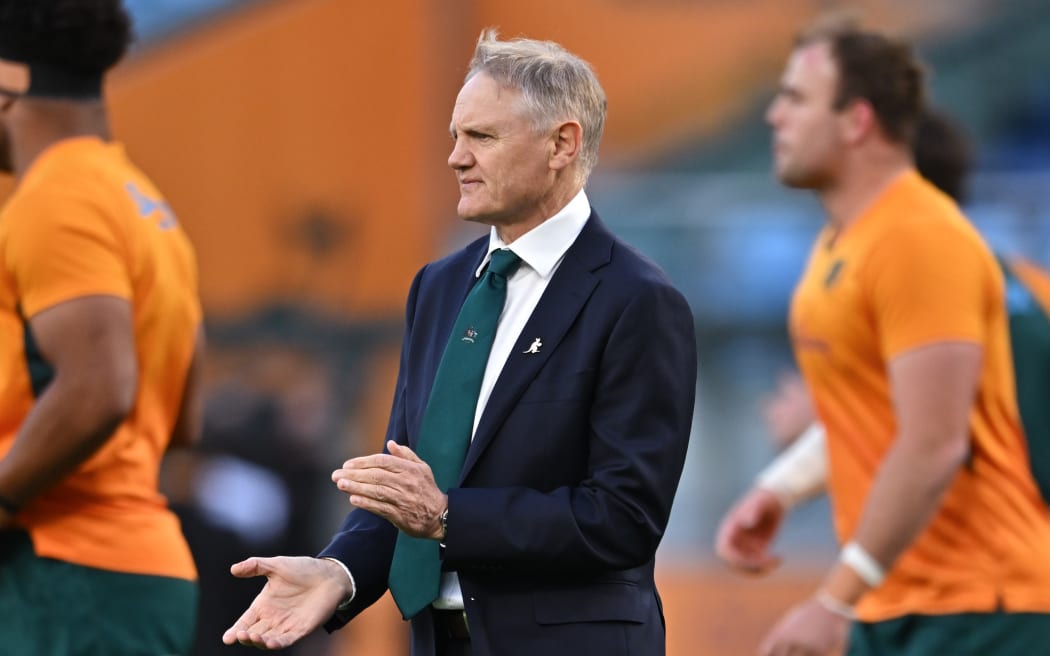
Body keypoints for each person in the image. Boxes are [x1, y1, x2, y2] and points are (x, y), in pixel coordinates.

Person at [222, 29, 697, 656]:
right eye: (455, 135)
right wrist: (339, 573)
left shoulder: (637, 300)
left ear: (562, 143)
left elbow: (623, 519)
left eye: (482, 137)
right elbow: (409, 481)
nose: (455, 157)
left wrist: (448, 518)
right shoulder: (439, 285)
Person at [718, 18, 1050, 656]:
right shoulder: (840, 243)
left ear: (857, 121)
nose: (772, 116)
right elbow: (892, 416)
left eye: (795, 98)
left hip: (981, 609)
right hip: (898, 599)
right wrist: (780, 487)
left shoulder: (919, 238)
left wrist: (834, 598)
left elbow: (932, 443)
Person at [0, 1, 205, 654]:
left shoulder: (57, 197)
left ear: (9, 82)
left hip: (68, 574)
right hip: (122, 573)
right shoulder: (141, 200)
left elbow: (100, 387)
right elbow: (184, 418)